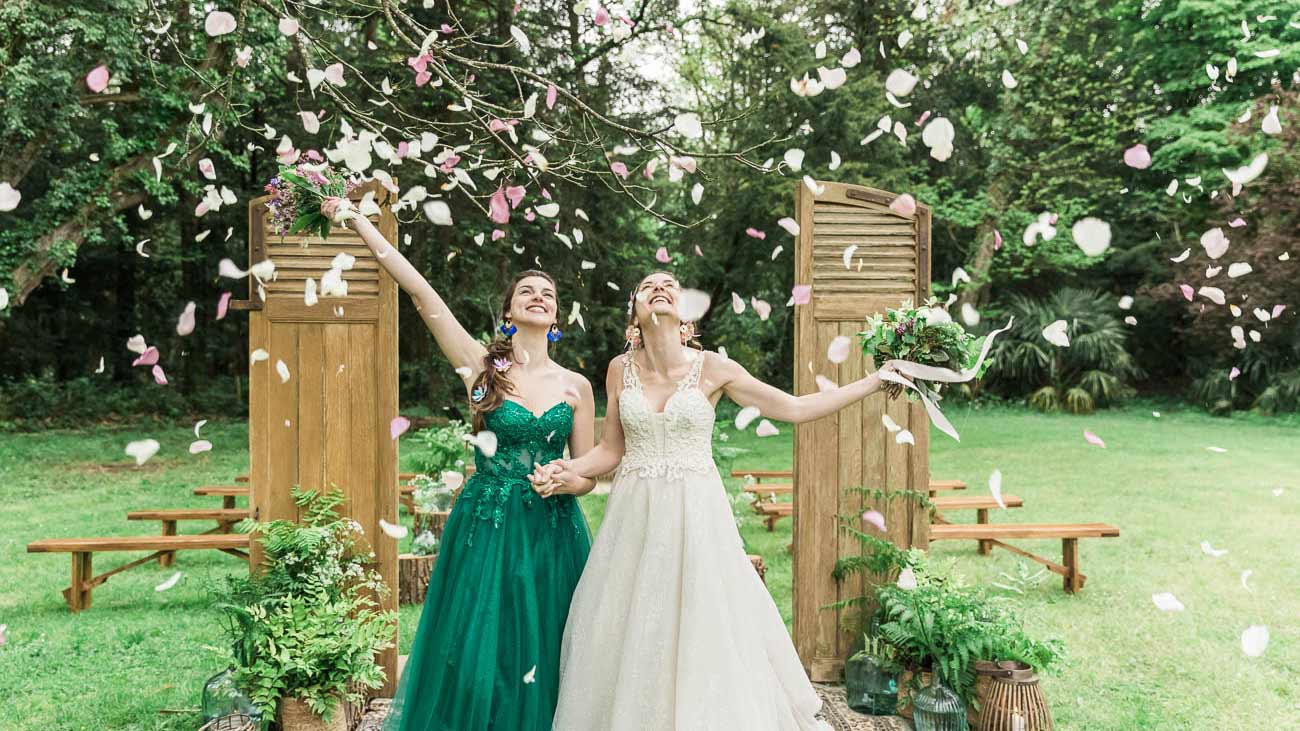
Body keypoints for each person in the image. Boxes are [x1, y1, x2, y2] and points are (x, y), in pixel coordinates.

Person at [533, 270, 899, 731]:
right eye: (648, 286)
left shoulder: (714, 369)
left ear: (684, 314)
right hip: (634, 521)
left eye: (669, 284)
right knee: (633, 629)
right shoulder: (617, 370)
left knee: (705, 628)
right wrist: (569, 469)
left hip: (697, 517)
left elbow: (795, 408)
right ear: (636, 313)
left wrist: (872, 382)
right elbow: (610, 450)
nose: (659, 288)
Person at [320, 197, 596, 731]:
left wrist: (564, 481)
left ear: (557, 316)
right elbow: (422, 294)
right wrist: (358, 221)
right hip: (488, 523)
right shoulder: (481, 368)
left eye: (549, 294)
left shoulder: (576, 386)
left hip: (553, 529)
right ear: (509, 311)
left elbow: (588, 471)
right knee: (480, 646)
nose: (538, 298)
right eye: (527, 292)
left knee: (551, 641)